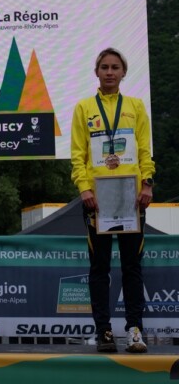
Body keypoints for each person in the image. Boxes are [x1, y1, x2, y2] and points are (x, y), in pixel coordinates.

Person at [70, 47, 155, 353]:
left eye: (115, 67)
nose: (109, 72)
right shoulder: (84, 108)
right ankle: (104, 331)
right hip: (97, 200)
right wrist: (84, 188)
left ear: (123, 72)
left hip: (131, 198)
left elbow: (144, 150)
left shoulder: (135, 106)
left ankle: (135, 331)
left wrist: (147, 183)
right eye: (104, 67)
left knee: (132, 268)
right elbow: (77, 154)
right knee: (99, 268)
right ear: (96, 72)